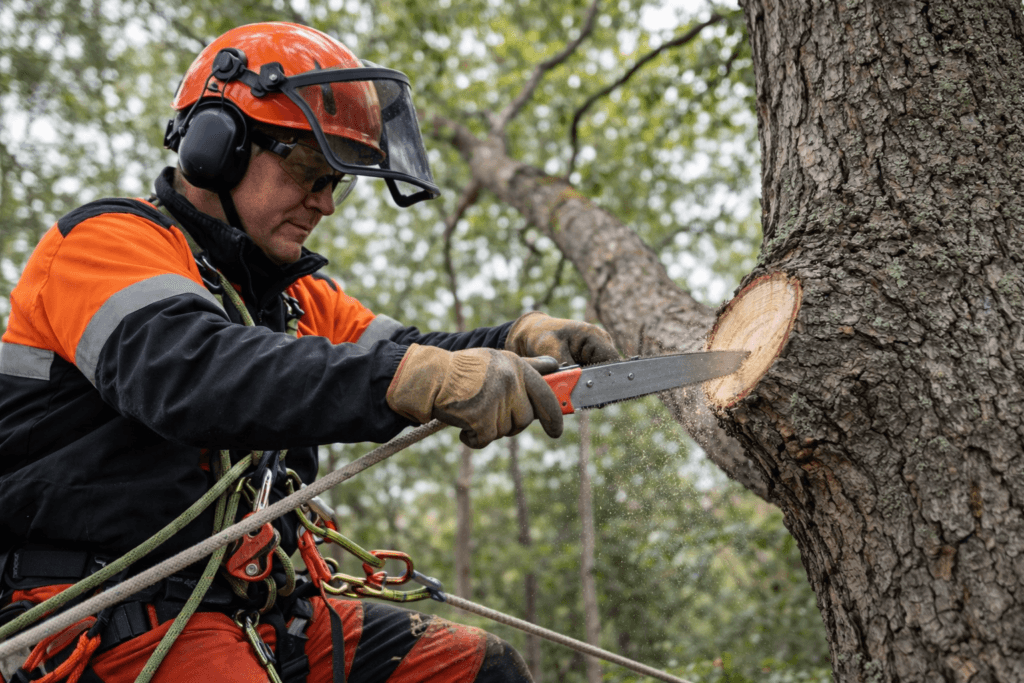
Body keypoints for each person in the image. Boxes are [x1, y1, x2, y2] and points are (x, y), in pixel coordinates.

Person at [0, 21, 619, 683]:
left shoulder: (293, 300)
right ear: (219, 147)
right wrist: (412, 375)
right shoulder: (106, 243)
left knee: (476, 667)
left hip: (260, 609)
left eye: (335, 181)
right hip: (109, 613)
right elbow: (193, 373)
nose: (324, 202)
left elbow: (407, 354)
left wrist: (513, 339)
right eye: (307, 169)